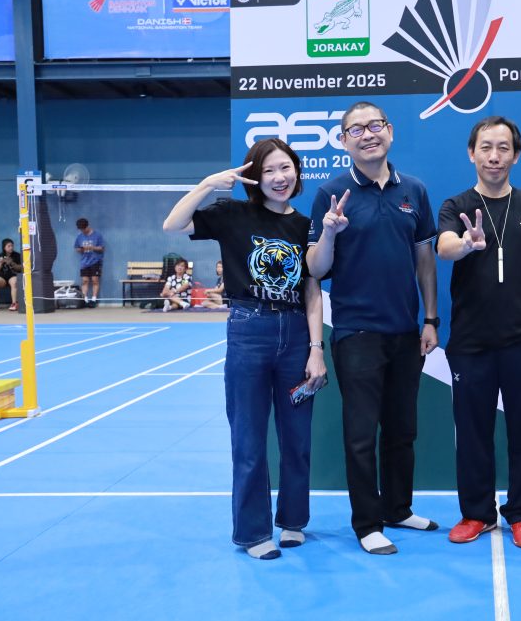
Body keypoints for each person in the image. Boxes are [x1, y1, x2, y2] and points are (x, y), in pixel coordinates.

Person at [162, 138, 326, 560]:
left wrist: (316, 349)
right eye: (269, 170)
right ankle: (254, 533)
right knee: (249, 439)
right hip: (248, 332)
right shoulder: (233, 214)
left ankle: (293, 521)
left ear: (297, 172)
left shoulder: (305, 225)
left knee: (297, 439)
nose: (279, 177)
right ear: (254, 176)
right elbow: (173, 224)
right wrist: (206, 184)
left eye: (286, 168)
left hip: (295, 335)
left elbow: (312, 290)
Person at [306, 100, 439, 555]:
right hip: (356, 332)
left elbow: (425, 259)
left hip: (405, 332)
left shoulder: (414, 190)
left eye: (375, 125)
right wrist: (329, 231)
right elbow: (316, 269)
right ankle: (367, 523)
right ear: (344, 141)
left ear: (390, 131)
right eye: (357, 129)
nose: (368, 134)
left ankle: (398, 509)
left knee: (402, 430)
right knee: (361, 434)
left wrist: (430, 318)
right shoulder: (330, 193)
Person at [436, 116, 521, 550]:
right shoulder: (456, 205)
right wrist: (466, 244)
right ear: (471, 153)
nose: (494, 156)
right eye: (486, 147)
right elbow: (444, 247)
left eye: (504, 148)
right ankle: (476, 513)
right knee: (472, 433)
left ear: (516, 154)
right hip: (470, 343)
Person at [74, 218, 105, 308]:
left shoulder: (97, 235)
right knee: (85, 281)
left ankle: (94, 299)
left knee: (95, 280)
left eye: (83, 229)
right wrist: (81, 249)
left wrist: (92, 247)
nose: (82, 231)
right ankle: (85, 299)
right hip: (84, 262)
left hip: (95, 261)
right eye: (81, 229)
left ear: (87, 226)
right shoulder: (79, 237)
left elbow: (102, 248)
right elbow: (76, 248)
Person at [0, 238, 22, 312]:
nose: (11, 248)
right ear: (4, 247)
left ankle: (14, 303)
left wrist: (12, 263)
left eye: (12, 246)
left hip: (13, 275)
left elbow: (20, 268)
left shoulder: (17, 255)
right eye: (9, 246)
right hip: (2, 277)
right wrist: (1, 263)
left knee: (14, 282)